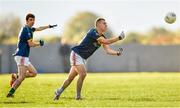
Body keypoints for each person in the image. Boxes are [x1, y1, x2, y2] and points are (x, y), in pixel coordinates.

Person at [54, 18, 125, 100]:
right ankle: (78, 97)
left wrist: (117, 53)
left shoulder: (102, 37)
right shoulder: (93, 32)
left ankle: (58, 92)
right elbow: (106, 42)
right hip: (76, 54)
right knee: (83, 74)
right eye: (104, 23)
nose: (106, 25)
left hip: (82, 58)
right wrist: (119, 38)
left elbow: (108, 50)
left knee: (70, 78)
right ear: (98, 25)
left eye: (106, 23)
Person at [6, 13, 57, 97]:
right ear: (26, 21)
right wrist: (39, 44)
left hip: (24, 56)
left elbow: (39, 28)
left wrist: (49, 26)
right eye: (30, 20)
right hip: (21, 56)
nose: (32, 21)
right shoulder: (26, 30)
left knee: (34, 73)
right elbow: (30, 44)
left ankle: (16, 76)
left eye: (33, 20)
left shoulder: (29, 29)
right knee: (22, 78)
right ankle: (10, 93)